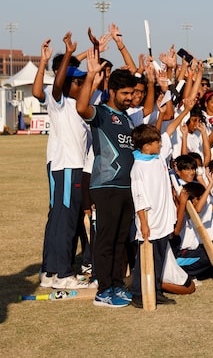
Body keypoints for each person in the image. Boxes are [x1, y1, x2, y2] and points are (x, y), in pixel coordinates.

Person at [76, 49, 140, 308]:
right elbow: (81, 107)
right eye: (125, 94)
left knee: (120, 239)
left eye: (131, 94)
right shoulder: (101, 113)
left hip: (126, 187)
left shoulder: (127, 119)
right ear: (112, 92)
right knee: (105, 239)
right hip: (105, 186)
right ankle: (103, 290)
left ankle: (116, 284)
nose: (129, 98)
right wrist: (91, 76)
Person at [31, 34, 92, 290]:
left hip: (68, 167)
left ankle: (50, 270)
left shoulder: (77, 104)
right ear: (67, 83)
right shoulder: (59, 101)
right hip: (67, 167)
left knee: (60, 219)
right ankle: (63, 274)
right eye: (77, 81)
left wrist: (92, 51)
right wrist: (64, 55)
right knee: (65, 220)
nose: (81, 85)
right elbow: (49, 87)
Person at [129, 101, 193, 308]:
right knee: (145, 261)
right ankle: (139, 294)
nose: (160, 144)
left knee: (159, 260)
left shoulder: (157, 157)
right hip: (150, 223)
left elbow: (171, 128)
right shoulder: (138, 167)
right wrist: (144, 224)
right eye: (156, 142)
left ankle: (156, 291)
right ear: (146, 146)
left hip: (164, 221)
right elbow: (139, 198)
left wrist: (186, 110)